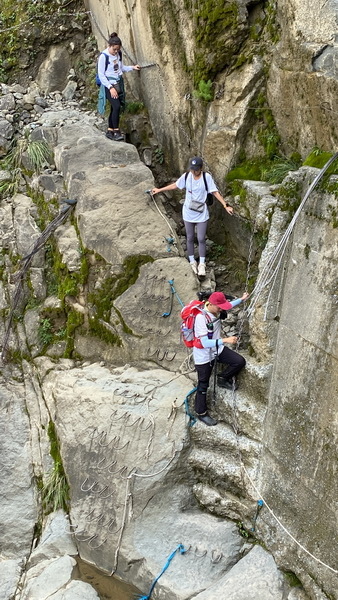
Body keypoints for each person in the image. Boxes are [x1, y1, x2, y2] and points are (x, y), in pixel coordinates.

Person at [151, 157, 233, 277]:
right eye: (192, 169)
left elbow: (215, 192)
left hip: (201, 213)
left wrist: (226, 205)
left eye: (196, 169)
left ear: (201, 168)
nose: (194, 171)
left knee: (200, 238)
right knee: (189, 237)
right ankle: (192, 262)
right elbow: (175, 185)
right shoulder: (186, 176)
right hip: (188, 213)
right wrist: (159, 190)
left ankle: (202, 264)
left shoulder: (206, 178)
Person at [193, 290, 249, 426]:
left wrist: (241, 299)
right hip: (204, 355)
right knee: (203, 385)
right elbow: (205, 343)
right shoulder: (201, 318)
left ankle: (223, 378)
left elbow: (228, 305)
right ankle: (201, 413)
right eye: (219, 308)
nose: (220, 311)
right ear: (210, 304)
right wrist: (226, 340)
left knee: (239, 361)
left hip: (217, 350)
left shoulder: (215, 308)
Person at [97, 33, 140, 141]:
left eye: (117, 49)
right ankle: (116, 131)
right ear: (109, 46)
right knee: (116, 106)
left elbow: (121, 68)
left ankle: (110, 130)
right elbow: (101, 74)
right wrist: (110, 88)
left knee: (114, 107)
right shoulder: (104, 56)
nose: (116, 51)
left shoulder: (118, 54)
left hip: (118, 83)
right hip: (108, 85)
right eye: (114, 49)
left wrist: (132, 68)